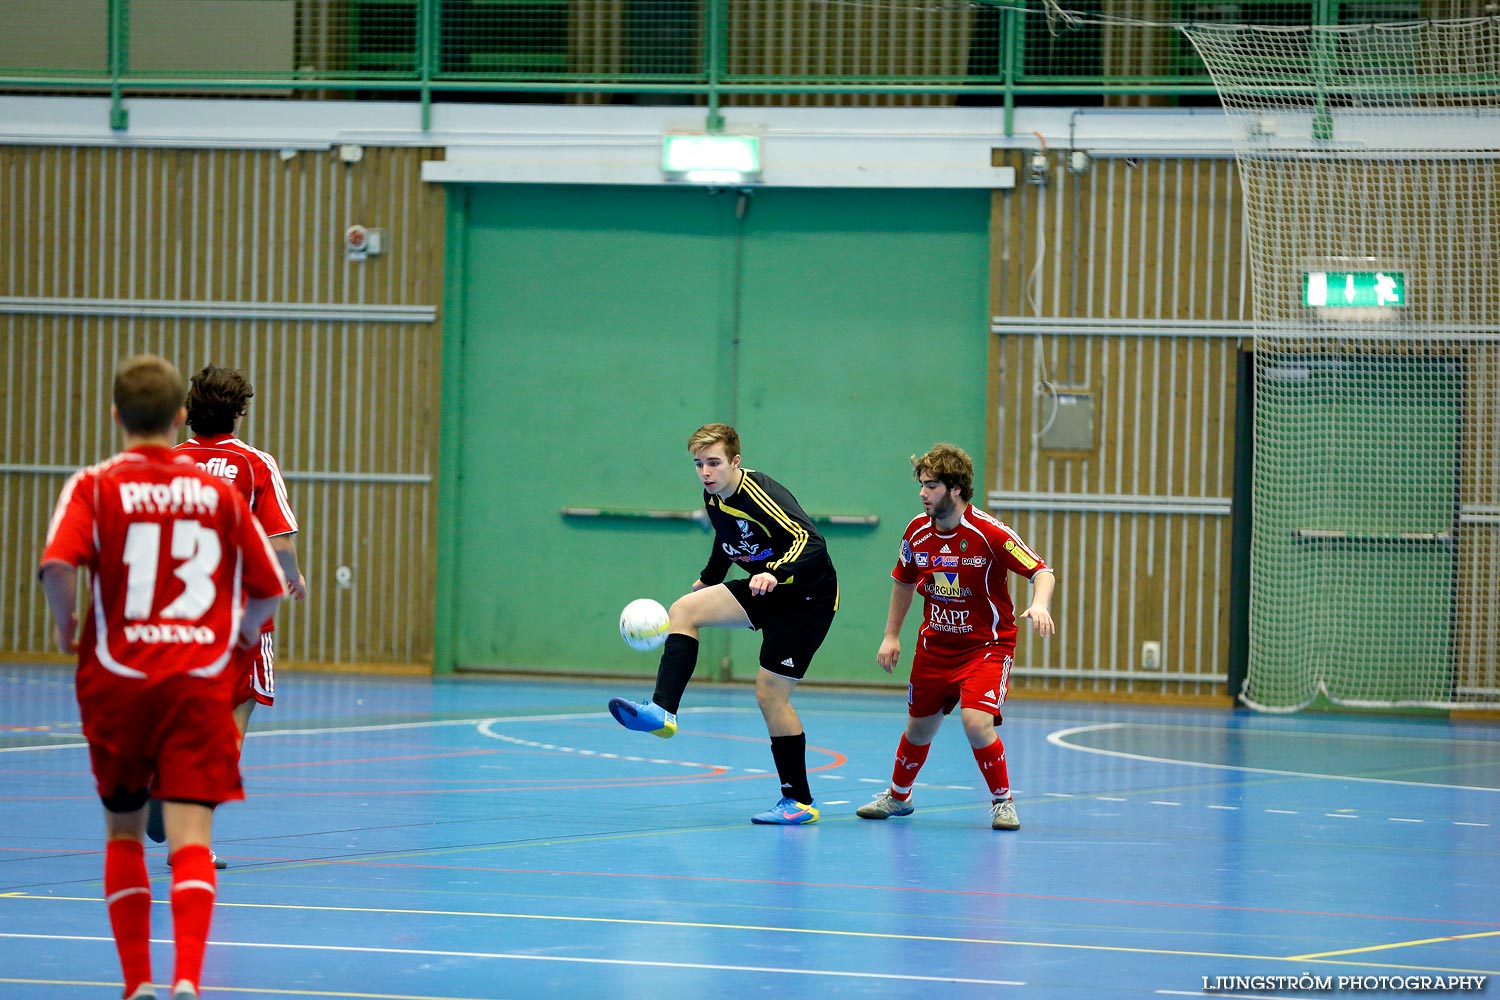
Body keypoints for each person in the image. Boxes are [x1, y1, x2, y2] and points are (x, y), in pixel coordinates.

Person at [39, 355, 287, 1000]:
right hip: (196, 676)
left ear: (117, 414)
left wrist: (66, 629)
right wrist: (234, 637)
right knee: (192, 838)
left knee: (121, 831)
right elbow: (270, 584)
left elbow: (57, 568)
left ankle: (135, 985)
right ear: (178, 414)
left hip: (119, 676)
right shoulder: (218, 492)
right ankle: (186, 981)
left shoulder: (94, 484)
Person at [608, 423, 839, 826]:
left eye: (714, 463)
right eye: (699, 464)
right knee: (684, 609)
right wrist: (709, 578)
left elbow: (812, 542)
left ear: (736, 461)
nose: (705, 472)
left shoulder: (762, 495)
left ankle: (798, 802)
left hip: (805, 600)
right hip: (763, 587)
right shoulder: (714, 497)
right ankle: (663, 711)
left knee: (770, 696)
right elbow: (726, 538)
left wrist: (776, 570)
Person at [145, 364, 308, 851]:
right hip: (240, 613)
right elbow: (279, 540)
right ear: (238, 413)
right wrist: (294, 577)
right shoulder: (255, 464)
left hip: (178, 611)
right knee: (234, 717)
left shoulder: (168, 462)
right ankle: (188, 838)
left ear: (189, 412)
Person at [855, 443, 1055, 831]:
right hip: (935, 647)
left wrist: (1041, 604)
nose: (922, 493)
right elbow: (903, 581)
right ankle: (899, 797)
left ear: (956, 489)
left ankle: (1003, 802)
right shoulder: (916, 531)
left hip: (987, 647)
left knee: (976, 722)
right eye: (922, 485)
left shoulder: (989, 533)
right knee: (918, 729)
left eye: (931, 485)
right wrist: (891, 635)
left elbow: (1040, 571)